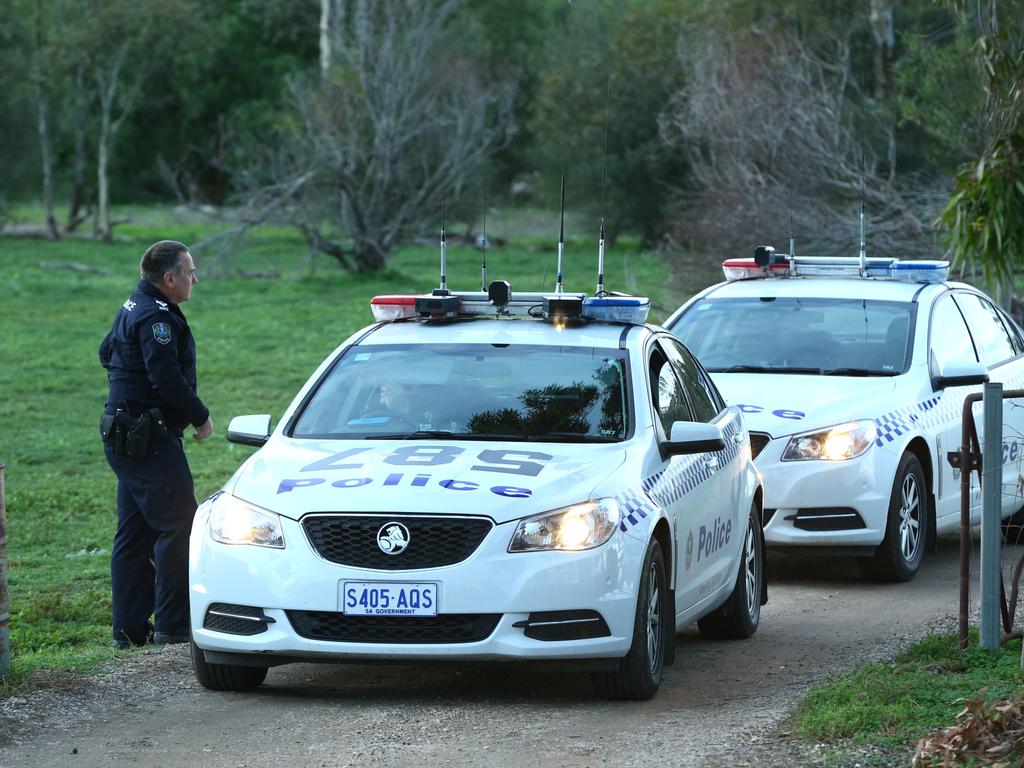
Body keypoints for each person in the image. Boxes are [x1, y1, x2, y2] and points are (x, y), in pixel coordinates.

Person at [99, 240, 212, 648]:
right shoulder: (155, 317)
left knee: (134, 534)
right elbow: (165, 376)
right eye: (190, 272)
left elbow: (106, 353)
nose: (194, 279)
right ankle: (174, 626)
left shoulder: (133, 305)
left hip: (125, 437)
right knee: (179, 525)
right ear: (169, 279)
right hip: (149, 439)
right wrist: (200, 416)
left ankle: (129, 630)